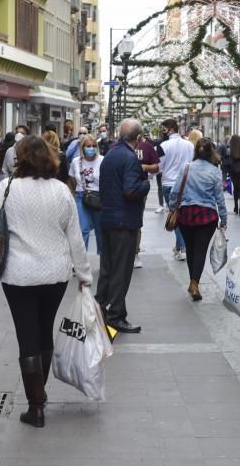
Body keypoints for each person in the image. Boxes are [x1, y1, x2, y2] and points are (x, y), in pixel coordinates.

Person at [0, 135, 91, 428]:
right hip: (55, 274)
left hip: (18, 275)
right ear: (50, 158)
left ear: (20, 157)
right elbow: (75, 237)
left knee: (26, 336)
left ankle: (35, 405)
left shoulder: (7, 188)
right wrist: (84, 275)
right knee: (44, 331)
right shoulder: (62, 192)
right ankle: (41, 393)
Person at [96, 118, 150, 334]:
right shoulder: (130, 158)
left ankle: (100, 307)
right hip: (124, 221)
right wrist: (145, 184)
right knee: (121, 270)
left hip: (107, 219)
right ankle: (116, 315)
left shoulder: (109, 155)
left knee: (108, 267)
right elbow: (130, 190)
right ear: (138, 138)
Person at [168, 138, 227, 302]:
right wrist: (224, 217)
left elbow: (174, 191)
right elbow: (219, 198)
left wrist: (173, 207)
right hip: (206, 215)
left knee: (191, 249)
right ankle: (195, 283)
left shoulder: (186, 167)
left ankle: (192, 281)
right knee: (200, 250)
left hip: (186, 214)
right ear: (211, 152)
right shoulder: (214, 171)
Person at [156, 119, 194, 261]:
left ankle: (183, 248)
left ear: (170, 129)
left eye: (163, 128)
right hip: (186, 183)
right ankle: (179, 246)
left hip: (169, 183)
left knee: (175, 216)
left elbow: (159, 166)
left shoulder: (163, 145)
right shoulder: (189, 145)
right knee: (182, 215)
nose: (162, 131)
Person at [69, 134, 103, 254]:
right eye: (88, 146)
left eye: (94, 146)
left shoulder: (102, 160)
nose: (91, 148)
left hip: (98, 198)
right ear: (83, 147)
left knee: (100, 230)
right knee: (83, 229)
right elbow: (72, 180)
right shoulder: (75, 162)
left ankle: (102, 257)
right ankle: (81, 260)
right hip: (81, 196)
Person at [134, 133, 160, 267]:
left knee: (136, 220)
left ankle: (135, 253)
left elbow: (156, 167)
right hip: (120, 189)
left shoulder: (146, 147)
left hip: (139, 188)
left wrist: (145, 167)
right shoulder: (117, 147)